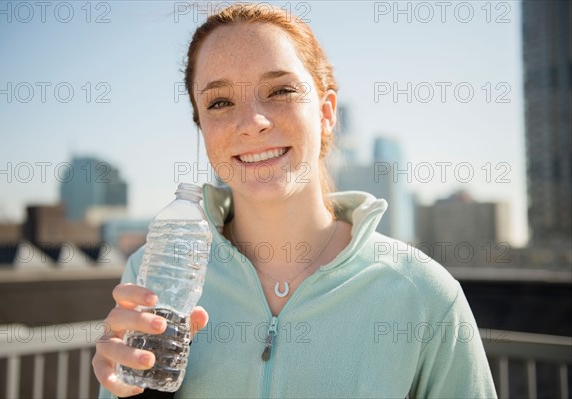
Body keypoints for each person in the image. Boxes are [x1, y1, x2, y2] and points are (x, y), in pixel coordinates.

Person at [93, 3, 497, 398]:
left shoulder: (425, 294)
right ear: (201, 127)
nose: (252, 122)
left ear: (326, 113)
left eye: (280, 91)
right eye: (219, 102)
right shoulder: (149, 275)